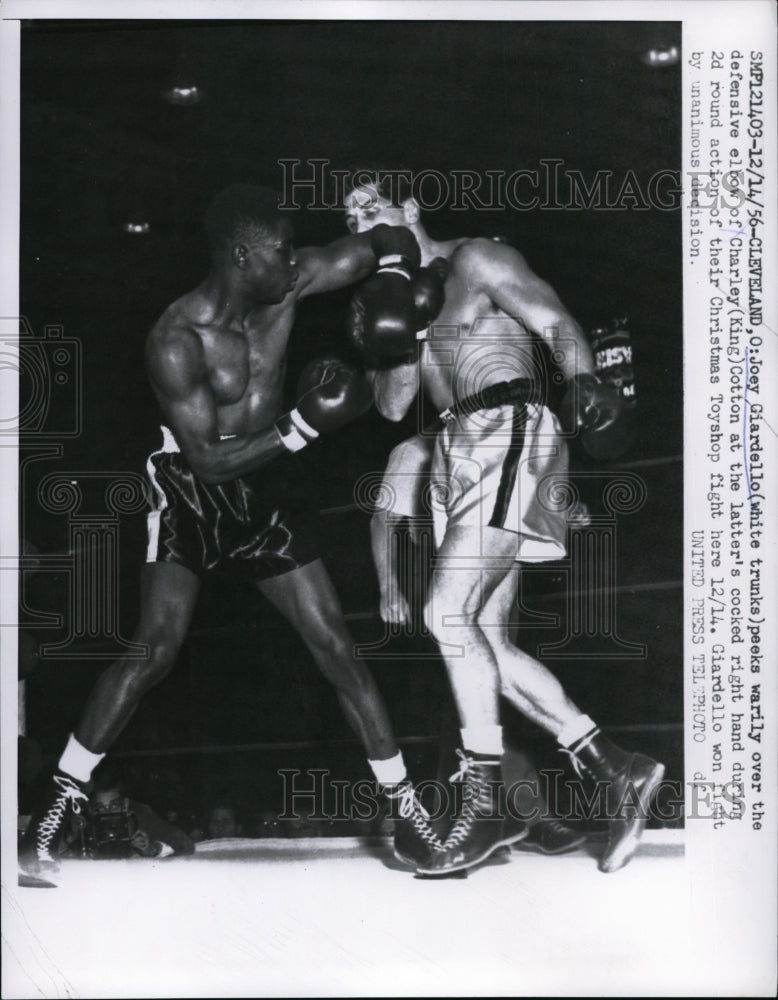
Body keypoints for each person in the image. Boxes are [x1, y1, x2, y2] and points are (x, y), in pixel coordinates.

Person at [21, 183, 441, 874]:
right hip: (192, 492)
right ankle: (60, 805)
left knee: (337, 645)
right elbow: (211, 461)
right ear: (243, 256)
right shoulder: (175, 339)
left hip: (264, 494)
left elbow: (377, 247)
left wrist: (400, 276)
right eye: (280, 252)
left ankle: (406, 810)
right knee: (153, 651)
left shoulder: (288, 283)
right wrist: (306, 424)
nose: (294, 261)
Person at [345, 171, 664, 875]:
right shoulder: (398, 293)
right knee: (486, 642)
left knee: (444, 613)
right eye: (351, 215)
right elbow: (398, 408)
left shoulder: (476, 259)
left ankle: (484, 802)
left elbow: (554, 323)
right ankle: (616, 768)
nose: (362, 219)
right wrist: (391, 324)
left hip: (508, 422)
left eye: (373, 204)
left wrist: (586, 381)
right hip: (456, 450)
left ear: (411, 206)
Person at [370, 432, 587, 858]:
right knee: (461, 704)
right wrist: (389, 587)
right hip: (441, 582)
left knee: (495, 695)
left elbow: (524, 499)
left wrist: (564, 514)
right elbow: (382, 520)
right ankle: (485, 818)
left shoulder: (497, 434)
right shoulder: (412, 450)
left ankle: (512, 817)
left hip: (498, 573)